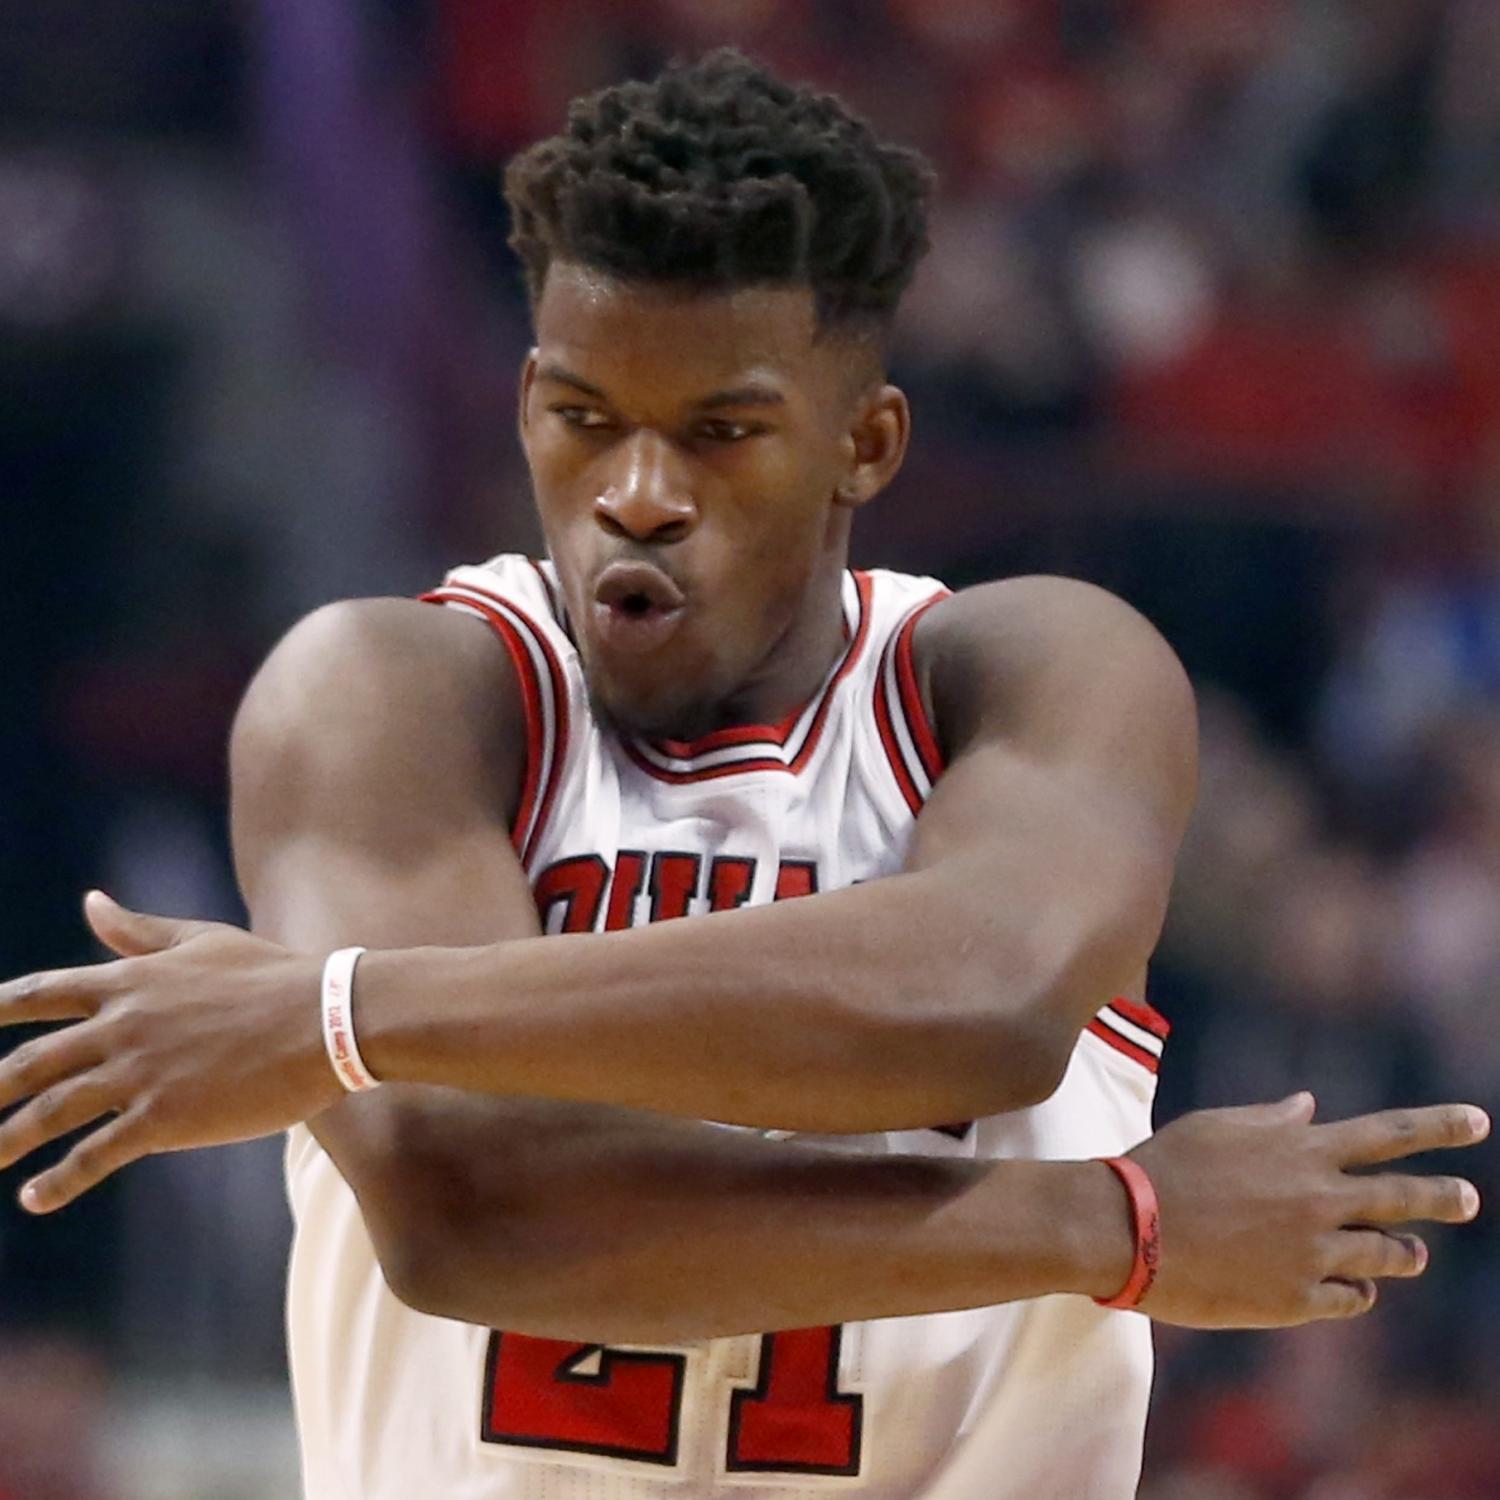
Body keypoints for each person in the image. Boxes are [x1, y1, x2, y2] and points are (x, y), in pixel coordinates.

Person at [0, 50, 1487, 1500]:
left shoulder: (1035, 672)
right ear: (524, 406)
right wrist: (1118, 1224)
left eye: (723, 433)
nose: (639, 495)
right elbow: (476, 1221)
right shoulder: (390, 692)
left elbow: (979, 1011)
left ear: (866, 443)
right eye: (585, 419)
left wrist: (339, 1016)